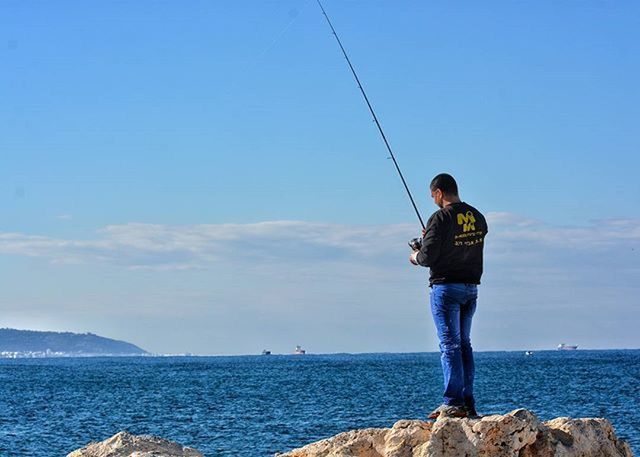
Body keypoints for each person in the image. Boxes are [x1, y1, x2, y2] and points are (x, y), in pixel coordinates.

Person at [409, 173, 488, 419]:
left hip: (446, 288)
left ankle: (453, 402)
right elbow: (460, 244)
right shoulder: (477, 216)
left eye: (433, 196)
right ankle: (467, 402)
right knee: (464, 344)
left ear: (439, 193)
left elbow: (427, 258)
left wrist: (416, 255)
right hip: (470, 288)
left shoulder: (439, 217)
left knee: (449, 345)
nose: (433, 200)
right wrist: (433, 235)